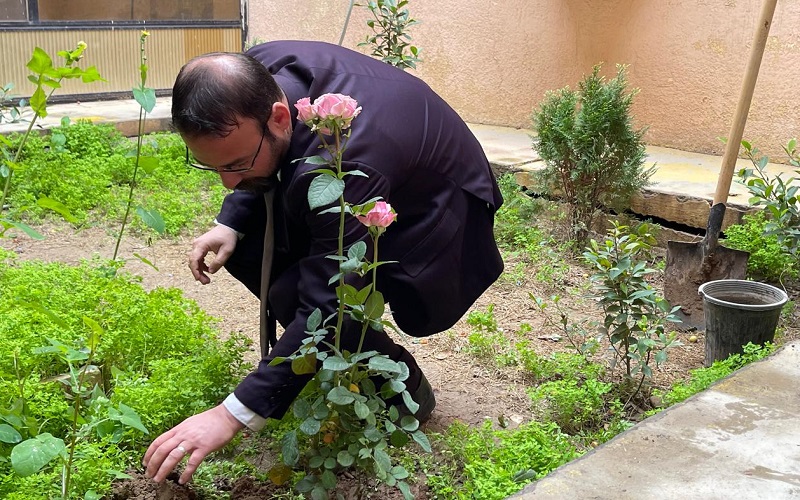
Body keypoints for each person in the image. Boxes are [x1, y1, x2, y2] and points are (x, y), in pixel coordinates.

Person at [143, 40, 503, 484]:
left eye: (236, 165)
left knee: (335, 301)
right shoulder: (257, 72)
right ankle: (333, 359)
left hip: (435, 204)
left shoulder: (347, 159)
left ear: (279, 117)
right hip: (369, 173)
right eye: (211, 166)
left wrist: (232, 413)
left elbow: (335, 301)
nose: (227, 183)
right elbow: (254, 161)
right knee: (262, 258)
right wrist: (231, 222)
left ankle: (404, 389)